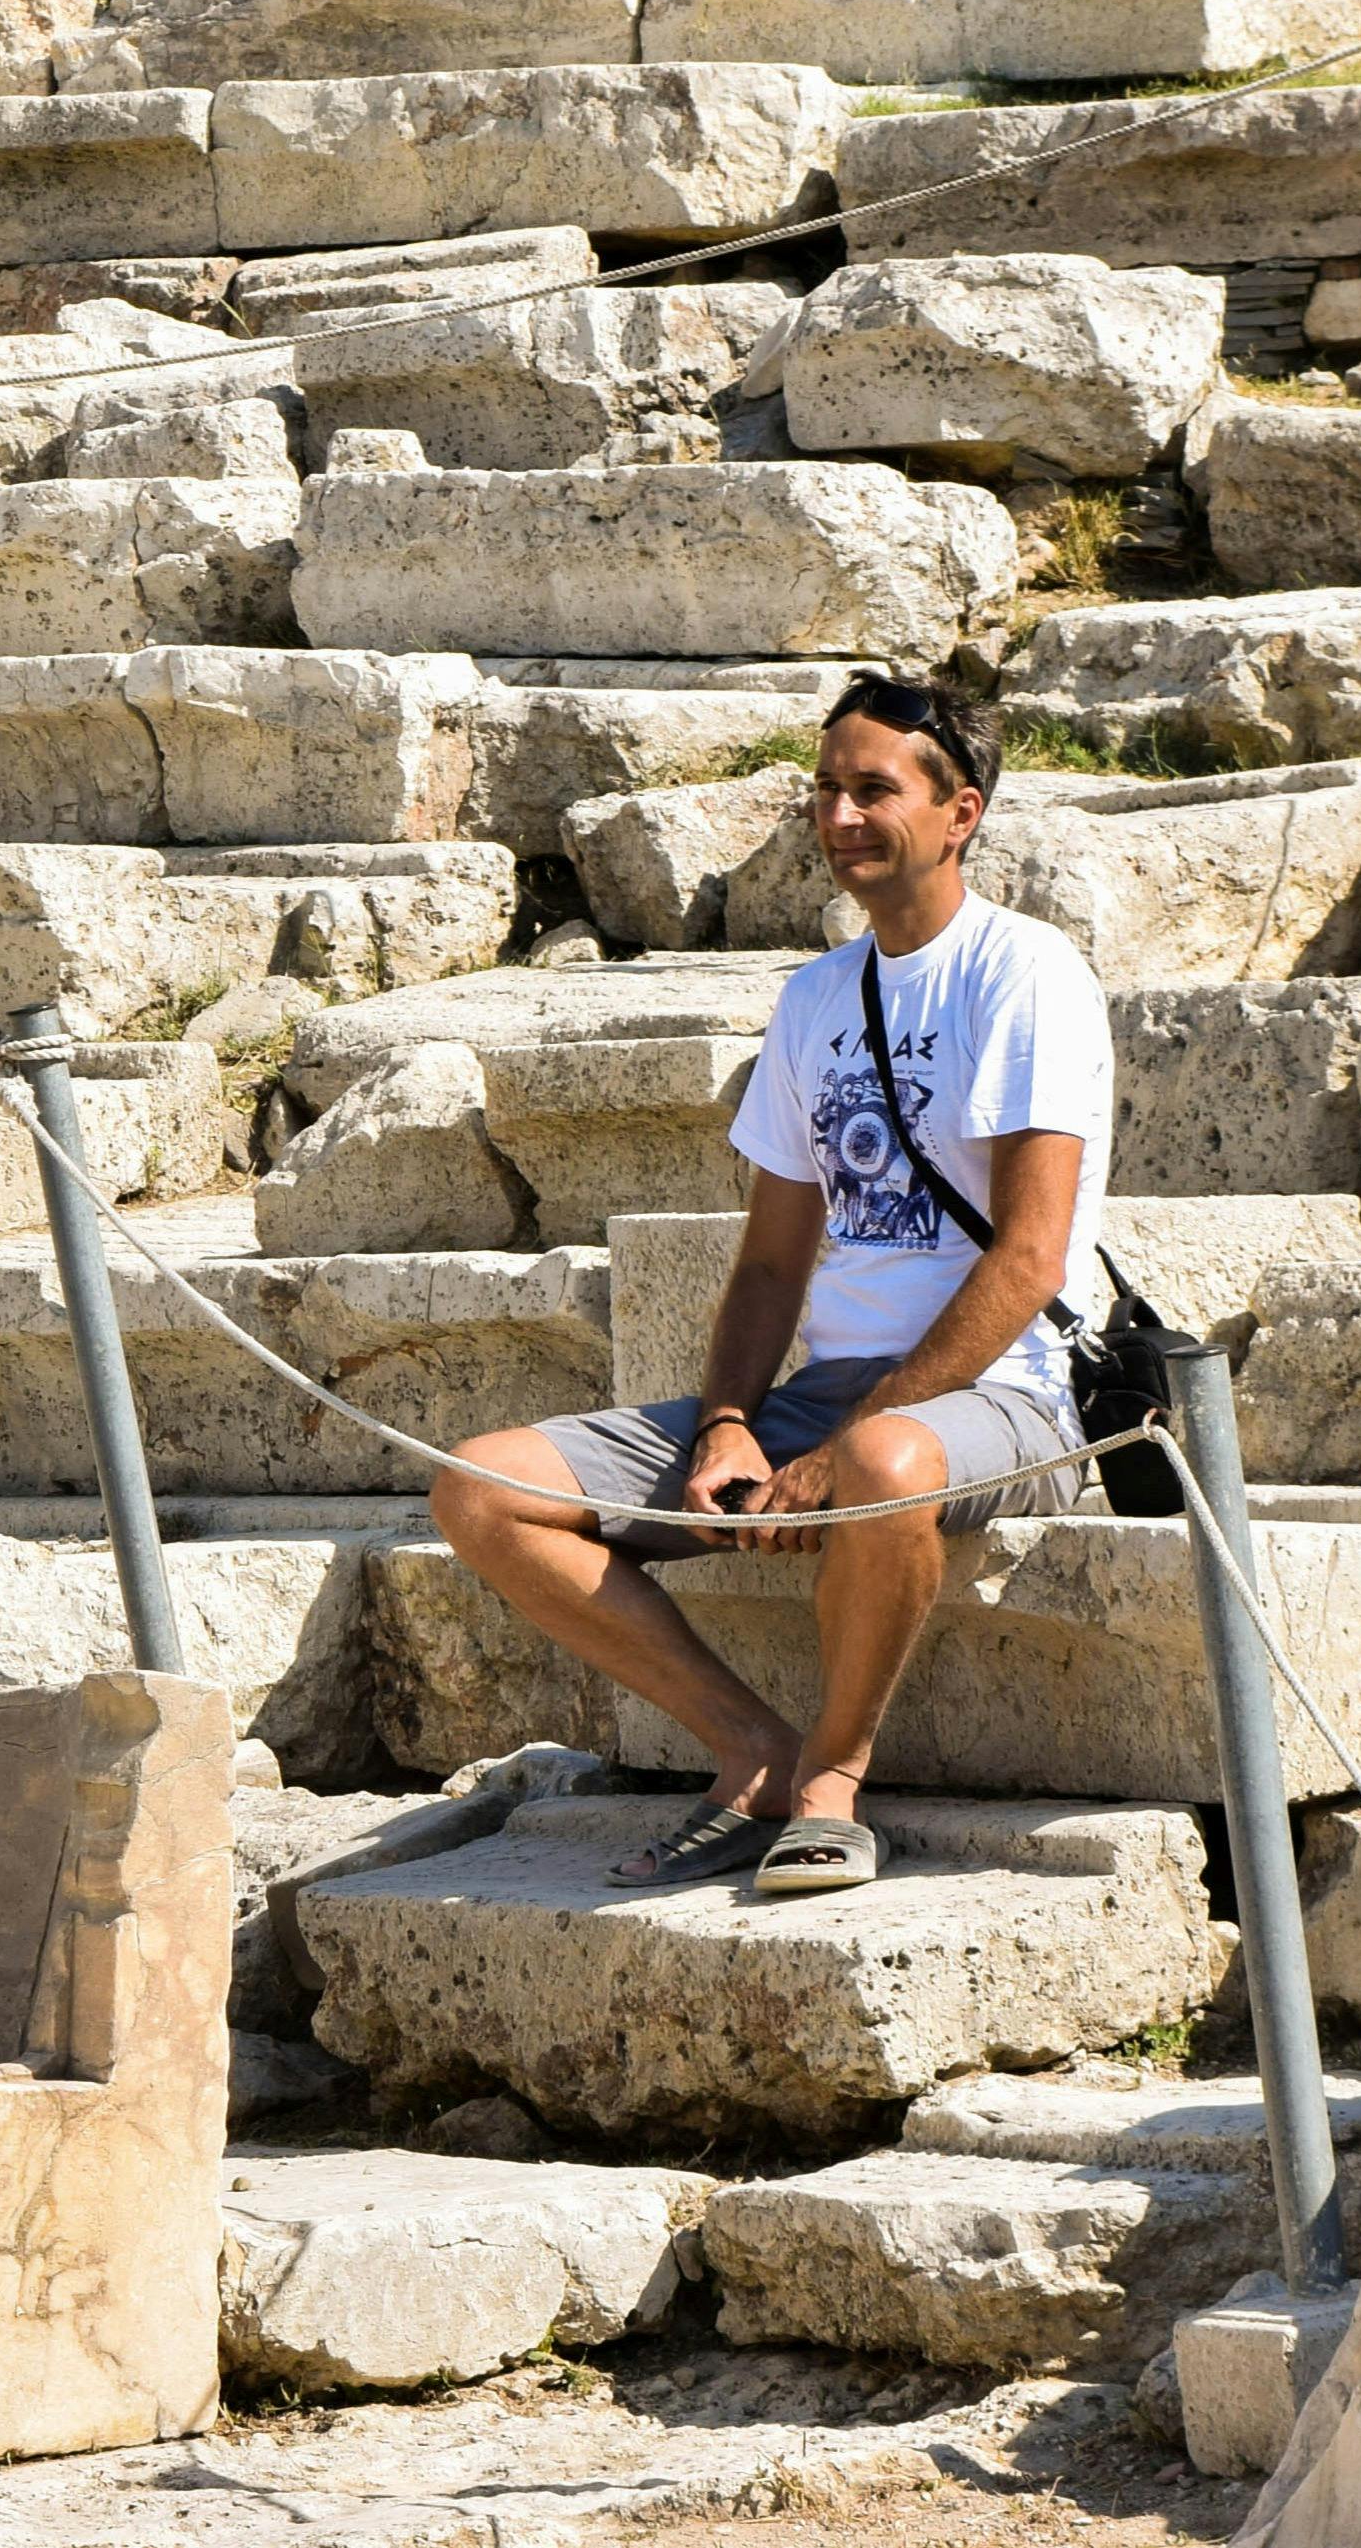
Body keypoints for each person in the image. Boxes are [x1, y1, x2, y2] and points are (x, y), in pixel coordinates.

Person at [429, 672, 1114, 1898]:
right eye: (826, 791)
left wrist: (851, 1436)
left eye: (874, 790)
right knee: (481, 1488)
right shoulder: (812, 1000)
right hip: (830, 1396)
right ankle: (749, 1749)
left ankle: (831, 1787)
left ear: (959, 813)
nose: (842, 816)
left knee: (887, 1463)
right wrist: (732, 1418)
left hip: (1004, 1398)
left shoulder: (1027, 973)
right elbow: (766, 1261)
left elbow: (1029, 1258)